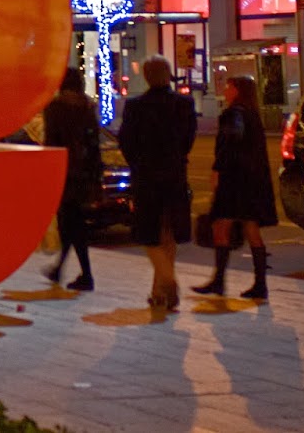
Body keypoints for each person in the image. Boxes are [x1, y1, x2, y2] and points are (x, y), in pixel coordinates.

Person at [118, 57, 197, 312]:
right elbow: (188, 139)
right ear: (169, 74)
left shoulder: (135, 106)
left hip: (146, 177)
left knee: (148, 234)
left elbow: (125, 141)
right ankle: (159, 292)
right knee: (168, 233)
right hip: (174, 175)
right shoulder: (184, 104)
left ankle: (166, 279)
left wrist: (137, 163)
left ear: (146, 76)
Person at [193, 75, 278, 300]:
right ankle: (259, 283)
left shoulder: (233, 114)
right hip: (252, 180)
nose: (225, 89)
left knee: (221, 226)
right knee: (251, 227)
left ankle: (219, 280)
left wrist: (217, 170)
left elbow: (229, 145)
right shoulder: (252, 114)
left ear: (237, 90)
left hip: (233, 180)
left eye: (229, 86)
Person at [42, 67, 100, 291]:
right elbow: (94, 144)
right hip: (84, 173)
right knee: (73, 222)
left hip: (64, 171)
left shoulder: (55, 108)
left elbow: (51, 142)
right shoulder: (87, 107)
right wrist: (95, 173)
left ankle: (86, 274)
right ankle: (61, 269)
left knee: (72, 223)